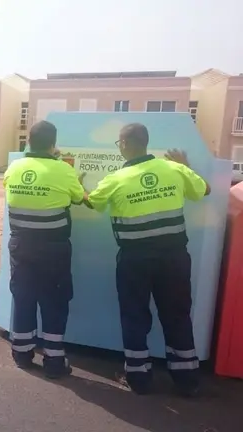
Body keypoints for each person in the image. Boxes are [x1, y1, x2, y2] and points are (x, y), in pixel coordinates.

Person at [85, 123, 210, 397]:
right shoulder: (175, 169)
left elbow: (92, 202)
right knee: (177, 314)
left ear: (126, 144)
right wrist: (187, 166)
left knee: (134, 314)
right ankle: (187, 380)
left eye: (119, 144)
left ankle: (138, 378)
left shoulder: (116, 178)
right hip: (175, 257)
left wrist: (79, 186)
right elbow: (205, 190)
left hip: (135, 259)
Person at [2, 120, 85, 378]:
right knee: (54, 301)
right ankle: (54, 360)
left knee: (24, 297)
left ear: (28, 141)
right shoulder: (63, 170)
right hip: (53, 248)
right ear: (53, 144)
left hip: (21, 245)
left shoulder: (14, 168)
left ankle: (22, 353)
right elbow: (78, 197)